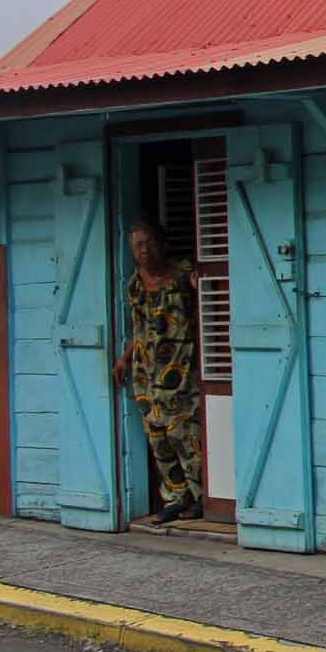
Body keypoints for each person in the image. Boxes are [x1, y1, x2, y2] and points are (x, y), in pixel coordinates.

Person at [112, 217, 205, 522]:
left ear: (162, 244)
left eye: (149, 243)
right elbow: (140, 328)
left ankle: (202, 496)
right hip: (146, 372)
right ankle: (178, 496)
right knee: (157, 437)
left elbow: (207, 300)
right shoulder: (136, 283)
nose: (144, 251)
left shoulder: (183, 272)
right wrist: (125, 358)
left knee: (184, 433)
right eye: (137, 246)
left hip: (181, 366)